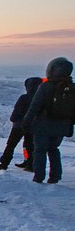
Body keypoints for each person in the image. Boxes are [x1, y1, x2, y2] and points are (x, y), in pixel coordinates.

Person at [23, 56, 74, 184]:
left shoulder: (46, 86)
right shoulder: (72, 88)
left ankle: (38, 177)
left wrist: (27, 121)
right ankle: (55, 176)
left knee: (40, 150)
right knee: (54, 150)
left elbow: (35, 106)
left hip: (43, 124)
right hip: (62, 125)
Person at [0, 77, 43, 170]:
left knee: (11, 145)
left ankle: (4, 164)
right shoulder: (41, 99)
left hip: (19, 126)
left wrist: (13, 119)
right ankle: (29, 164)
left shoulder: (24, 98)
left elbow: (16, 112)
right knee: (29, 145)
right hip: (33, 126)